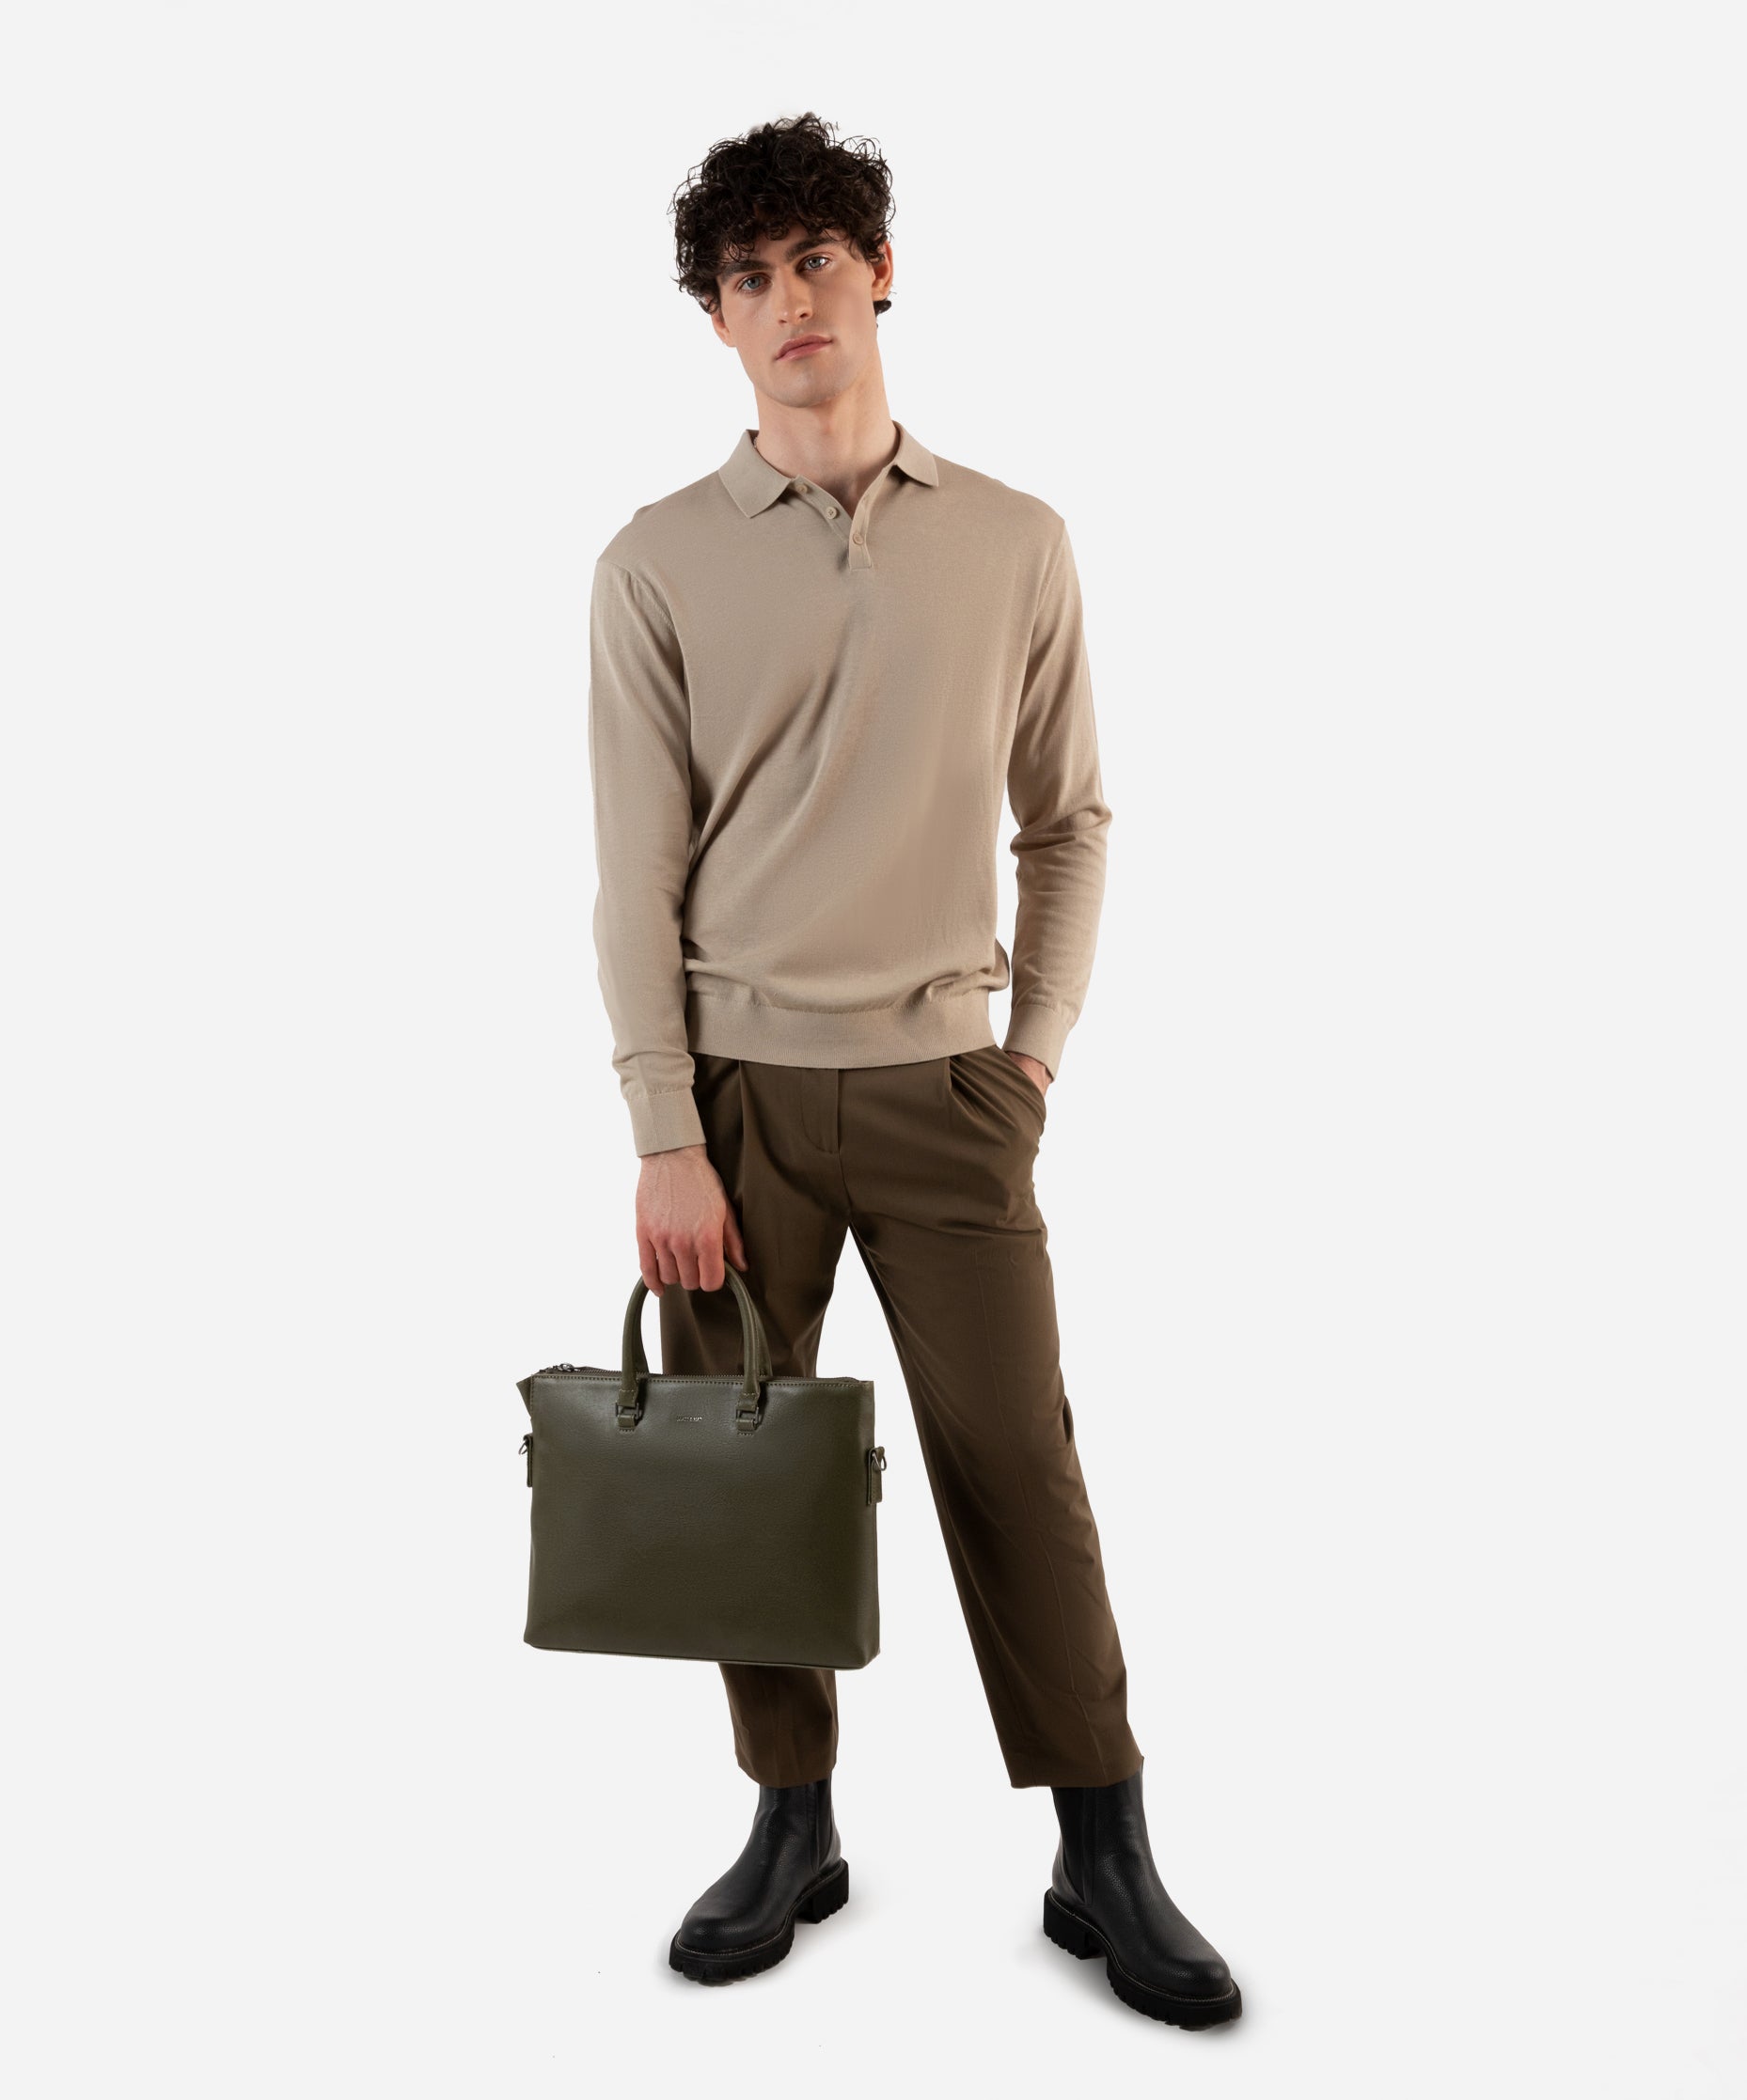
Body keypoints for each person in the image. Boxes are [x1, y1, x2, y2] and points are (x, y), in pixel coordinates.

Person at [582, 110, 1240, 2028]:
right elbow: (633, 877)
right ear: (716, 322)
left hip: (952, 1090)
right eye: (750, 275)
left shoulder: (1017, 541)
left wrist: (1029, 1062)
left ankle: (1103, 1846)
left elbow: (1070, 822)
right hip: (734, 1105)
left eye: (818, 258)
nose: (791, 299)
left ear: (881, 272)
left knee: (1019, 1465)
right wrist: (663, 1128)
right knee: (746, 1476)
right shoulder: (653, 564)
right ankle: (792, 1819)